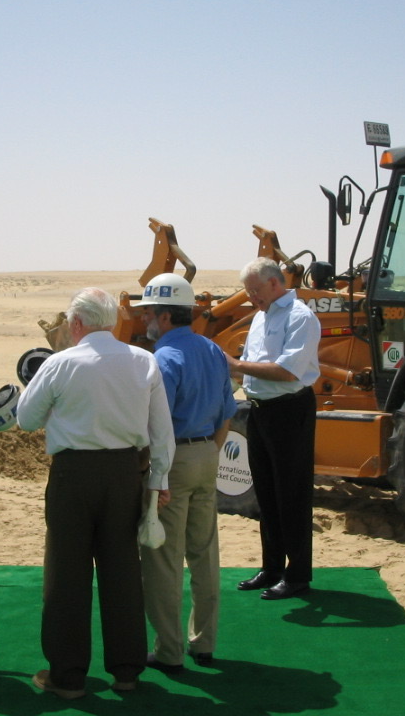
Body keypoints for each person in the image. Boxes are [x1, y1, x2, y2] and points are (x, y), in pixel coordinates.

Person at [16, 287, 174, 699]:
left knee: (66, 574)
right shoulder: (144, 361)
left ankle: (67, 677)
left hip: (73, 474)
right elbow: (162, 433)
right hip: (125, 472)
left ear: (76, 324)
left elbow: (26, 418)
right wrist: (158, 483)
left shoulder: (60, 364)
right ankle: (126, 671)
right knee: (122, 570)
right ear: (113, 322)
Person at [134, 273, 236, 672]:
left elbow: (154, 426)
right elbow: (227, 412)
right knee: (204, 552)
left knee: (163, 558)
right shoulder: (212, 350)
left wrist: (153, 471)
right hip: (208, 455)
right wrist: (208, 450)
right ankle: (204, 642)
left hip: (173, 462)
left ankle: (168, 650)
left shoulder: (162, 359)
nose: (144, 322)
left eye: (147, 315)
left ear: (163, 315)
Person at [226, 257, 320, 600]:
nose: (251, 296)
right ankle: (272, 567)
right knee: (266, 493)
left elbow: (287, 372)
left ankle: (297, 574)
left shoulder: (300, 317)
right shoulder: (261, 317)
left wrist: (235, 365)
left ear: (275, 283)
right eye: (247, 291)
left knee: (291, 494)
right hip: (260, 410)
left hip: (289, 410)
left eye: (255, 289)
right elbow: (253, 367)